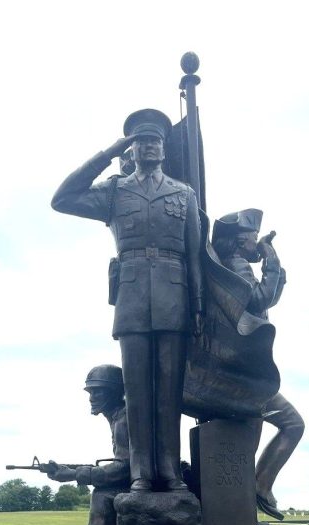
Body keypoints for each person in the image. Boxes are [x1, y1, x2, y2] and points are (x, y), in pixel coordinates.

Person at [51, 109, 203, 492]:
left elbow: (196, 254)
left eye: (154, 141)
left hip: (175, 294)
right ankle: (139, 471)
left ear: (164, 149)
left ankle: (168, 471)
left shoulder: (184, 194)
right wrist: (106, 154)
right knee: (136, 394)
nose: (148, 146)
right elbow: (62, 198)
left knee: (169, 393)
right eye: (140, 142)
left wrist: (197, 304)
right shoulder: (115, 190)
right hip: (132, 297)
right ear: (131, 149)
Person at [211, 209, 305, 521]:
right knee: (293, 424)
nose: (257, 242)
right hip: (243, 375)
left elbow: (265, 296)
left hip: (244, 369)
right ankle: (259, 487)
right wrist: (272, 259)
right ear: (241, 242)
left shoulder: (233, 264)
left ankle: (251, 492)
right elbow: (261, 298)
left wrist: (270, 263)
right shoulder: (237, 264)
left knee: (243, 449)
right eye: (253, 238)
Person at [44, 365, 130, 525]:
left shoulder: (124, 421)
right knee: (102, 493)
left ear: (114, 392)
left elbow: (125, 468)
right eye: (90, 392)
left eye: (98, 392)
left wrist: (73, 474)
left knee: (102, 495)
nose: (91, 398)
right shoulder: (118, 417)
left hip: (146, 485)